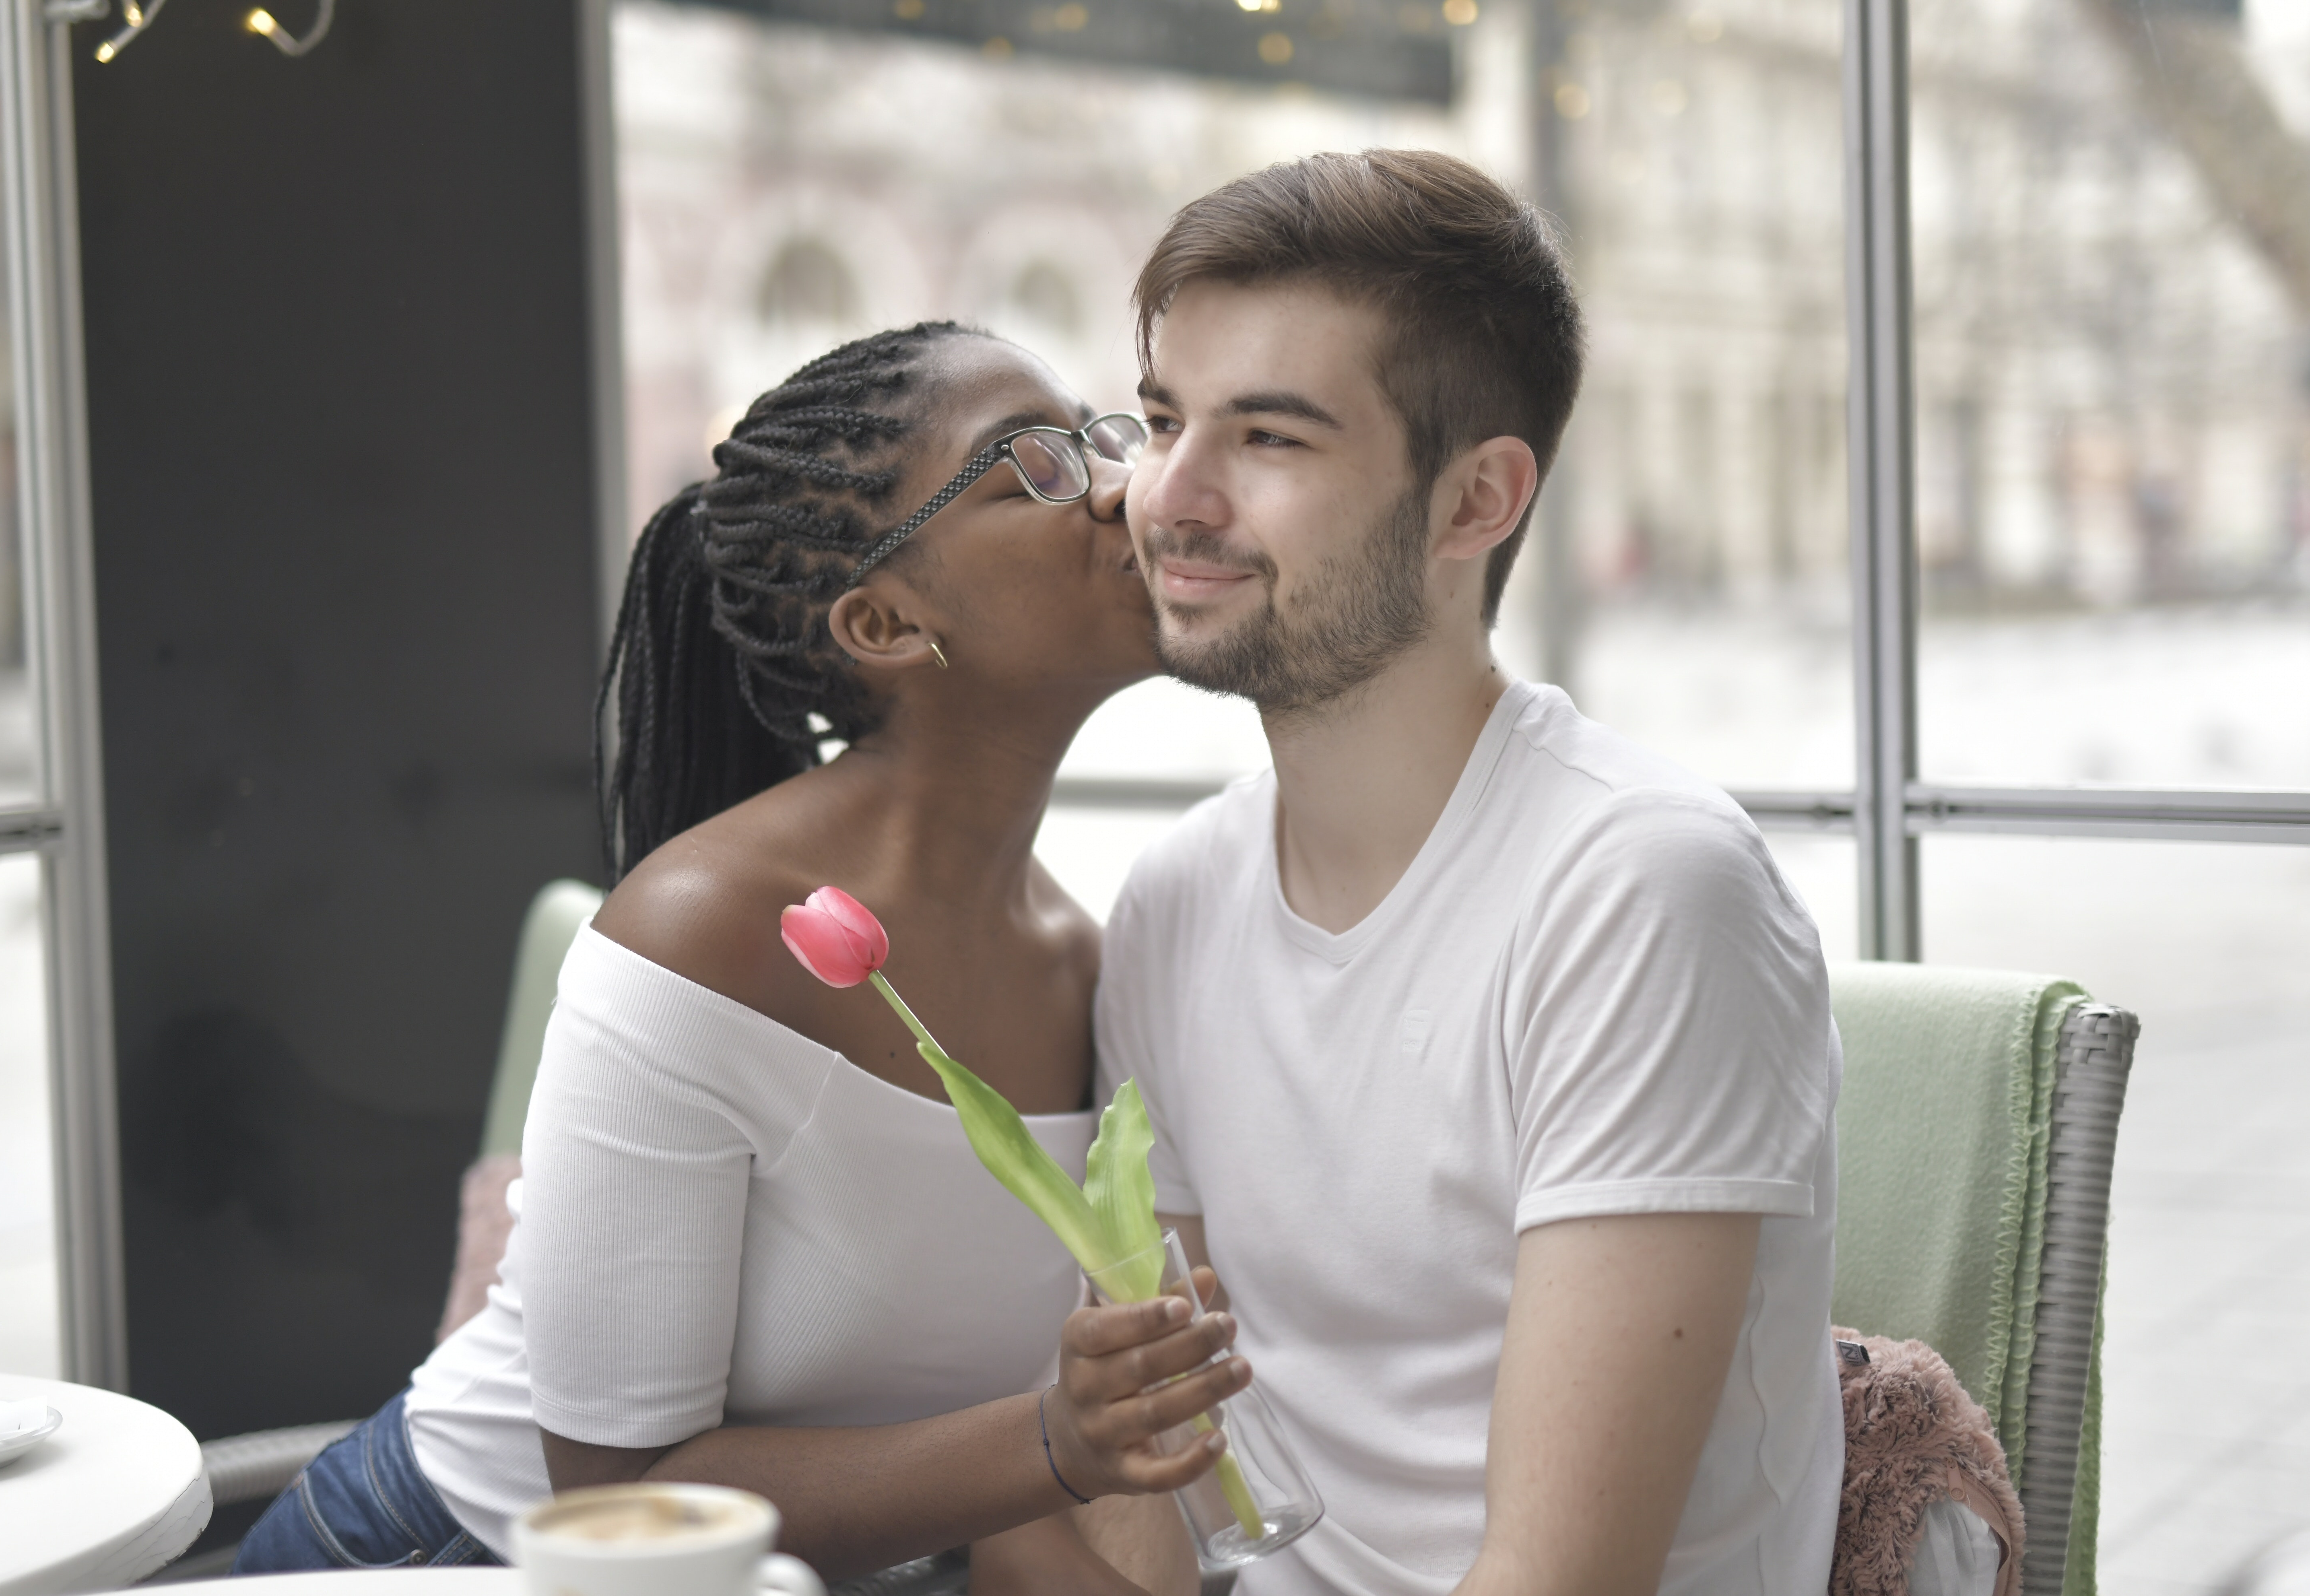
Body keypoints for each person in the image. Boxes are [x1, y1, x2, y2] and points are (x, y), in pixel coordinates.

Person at [233, 324, 1252, 1592]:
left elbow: (988, 1459)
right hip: (466, 1557)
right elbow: (619, 1494)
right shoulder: (703, 933)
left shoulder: (1086, 957)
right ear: (886, 622)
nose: (1123, 486)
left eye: (1100, 437)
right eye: (1030, 466)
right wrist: (1053, 1438)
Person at [1079, 152, 1845, 1596]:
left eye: (1272, 440)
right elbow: (1161, 1495)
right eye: (1164, 418)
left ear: (1475, 501)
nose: (1167, 498)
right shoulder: (1173, 902)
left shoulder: (1641, 894)